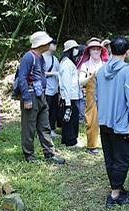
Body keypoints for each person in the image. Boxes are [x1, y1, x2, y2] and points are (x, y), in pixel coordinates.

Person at [95, 37, 129, 208]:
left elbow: (97, 96)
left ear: (110, 51)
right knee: (123, 156)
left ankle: (118, 187)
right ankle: (114, 196)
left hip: (104, 121)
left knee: (111, 157)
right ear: (127, 52)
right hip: (121, 123)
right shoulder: (128, 71)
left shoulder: (100, 71)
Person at [16, 31, 65, 164]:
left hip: (40, 94)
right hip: (31, 94)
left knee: (45, 125)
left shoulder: (40, 57)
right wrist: (26, 99)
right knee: (29, 127)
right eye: (47, 42)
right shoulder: (28, 57)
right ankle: (29, 156)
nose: (50, 44)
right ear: (41, 44)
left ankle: (49, 154)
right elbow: (22, 79)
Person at [78, 38, 110, 155]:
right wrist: (91, 76)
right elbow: (80, 82)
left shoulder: (106, 64)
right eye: (93, 49)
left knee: (107, 120)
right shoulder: (85, 65)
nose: (96, 51)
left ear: (101, 51)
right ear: (89, 51)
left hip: (106, 95)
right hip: (91, 95)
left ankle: (107, 143)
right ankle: (92, 146)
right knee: (92, 120)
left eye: (98, 49)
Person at [59, 39, 81, 148]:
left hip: (70, 96)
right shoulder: (67, 64)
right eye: (75, 48)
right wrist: (67, 101)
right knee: (71, 119)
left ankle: (68, 140)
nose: (77, 50)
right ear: (70, 50)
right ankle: (70, 142)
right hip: (69, 97)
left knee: (70, 118)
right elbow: (66, 83)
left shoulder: (67, 62)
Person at [42, 40, 60, 139]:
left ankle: (52, 130)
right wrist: (53, 73)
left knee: (54, 110)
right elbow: (39, 73)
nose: (55, 46)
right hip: (46, 89)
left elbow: (60, 72)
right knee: (45, 110)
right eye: (53, 44)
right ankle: (44, 130)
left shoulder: (55, 59)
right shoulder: (41, 58)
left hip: (55, 89)